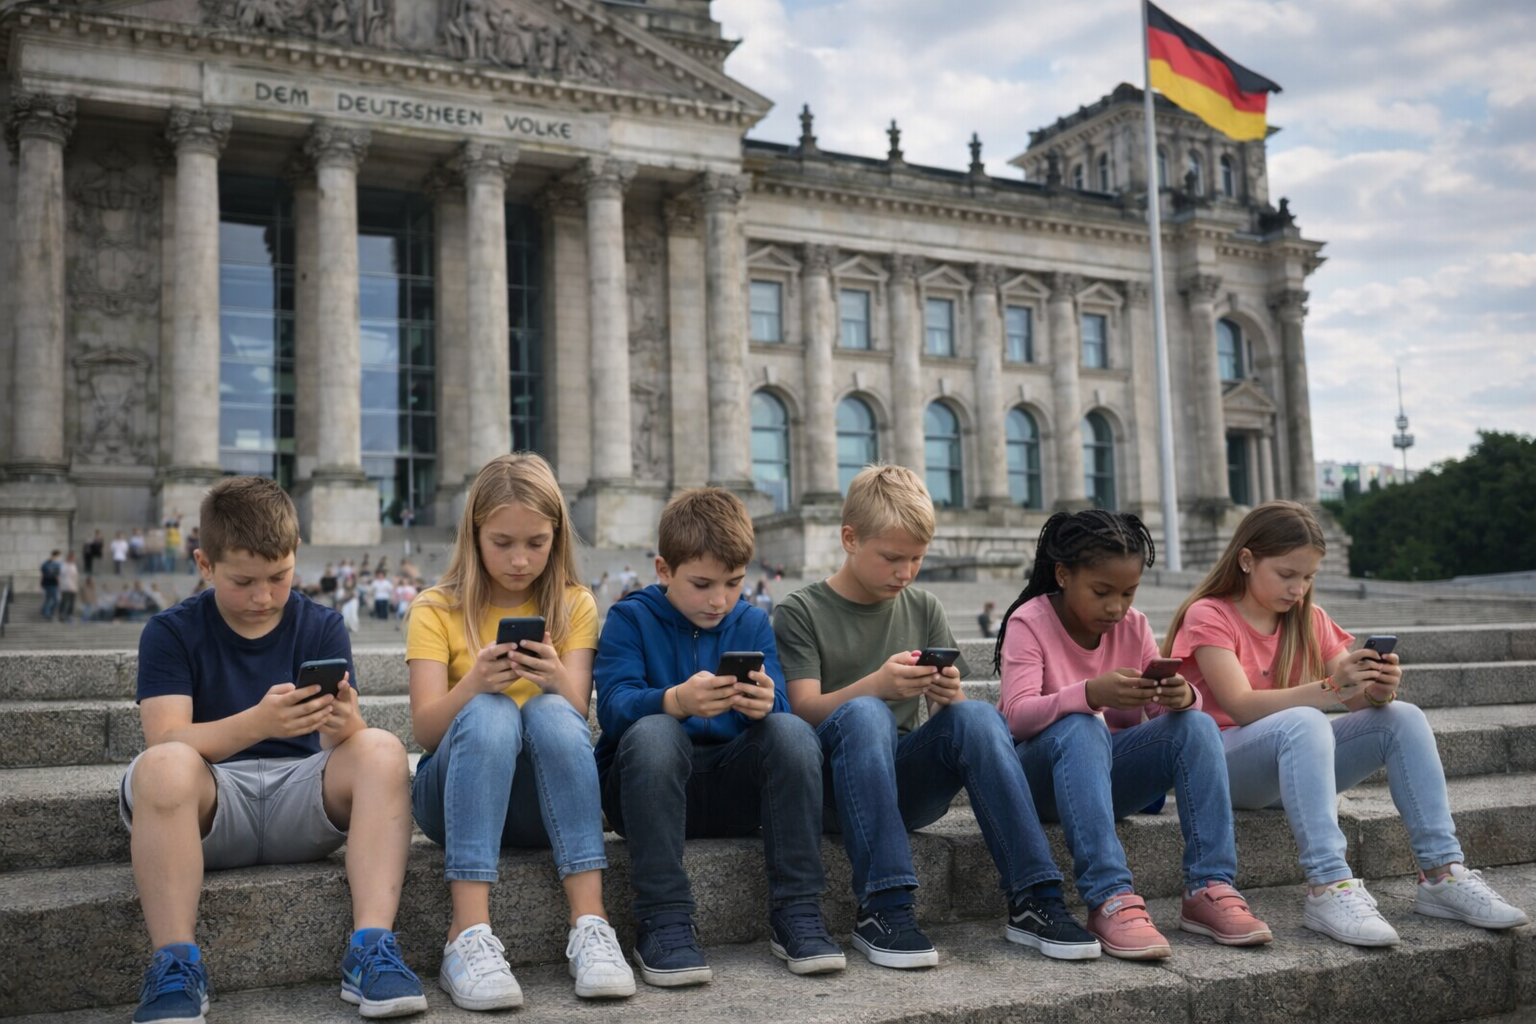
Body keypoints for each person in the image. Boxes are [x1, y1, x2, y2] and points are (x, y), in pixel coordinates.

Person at [119, 476, 426, 1023]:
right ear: (204, 565)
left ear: (296, 557)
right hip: (210, 802)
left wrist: (345, 721)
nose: (263, 596)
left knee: (380, 748)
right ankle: (175, 964)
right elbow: (165, 739)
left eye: (279, 578)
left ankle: (372, 948)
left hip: (301, 796)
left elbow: (337, 747)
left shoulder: (321, 623)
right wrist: (258, 722)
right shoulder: (169, 631)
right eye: (244, 581)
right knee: (162, 766)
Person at [1163, 500, 1530, 947]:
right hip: (1223, 767)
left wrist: (1377, 687)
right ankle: (1328, 885)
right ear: (1246, 559)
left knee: (1402, 717)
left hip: (1291, 766)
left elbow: (1356, 698)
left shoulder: (1309, 619)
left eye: (1308, 577)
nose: (1298, 588)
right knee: (1304, 720)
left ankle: (1441, 874)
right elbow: (1239, 707)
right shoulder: (1210, 614)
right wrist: (1332, 687)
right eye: (1286, 574)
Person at [774, 464, 1097, 967]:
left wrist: (947, 694)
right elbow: (799, 713)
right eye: (892, 558)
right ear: (849, 539)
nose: (905, 572)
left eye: (917, 558)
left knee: (980, 718)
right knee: (865, 713)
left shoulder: (923, 606)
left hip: (904, 787)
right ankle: (884, 906)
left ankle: (1035, 897)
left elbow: (952, 726)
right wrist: (877, 686)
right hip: (829, 791)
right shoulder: (800, 610)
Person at [407, 453, 634, 1008]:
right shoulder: (435, 608)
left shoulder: (574, 603)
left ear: (557, 537)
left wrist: (554, 674)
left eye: (537, 542)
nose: (520, 559)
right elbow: (426, 733)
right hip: (453, 798)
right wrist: (474, 686)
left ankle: (591, 923)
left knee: (552, 712)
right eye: (503, 542)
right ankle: (467, 934)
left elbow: (577, 717)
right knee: (491, 712)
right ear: (474, 534)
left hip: (541, 803)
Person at [595, 487, 842, 987]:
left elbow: (785, 715)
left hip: (734, 788)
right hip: (647, 789)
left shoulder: (751, 621)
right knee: (656, 732)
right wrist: (674, 701)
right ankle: (663, 918)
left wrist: (767, 702)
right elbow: (615, 707)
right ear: (664, 570)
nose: (719, 600)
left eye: (733, 583)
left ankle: (798, 910)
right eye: (703, 584)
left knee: (791, 732)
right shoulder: (630, 617)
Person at [995, 510, 1270, 959]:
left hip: (1104, 779)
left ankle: (1210, 887)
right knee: (1081, 724)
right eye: (1102, 592)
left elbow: (1159, 709)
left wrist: (1183, 697)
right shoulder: (1029, 621)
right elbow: (1016, 718)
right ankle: (1109, 897)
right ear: (1063, 575)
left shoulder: (1134, 625)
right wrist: (1089, 694)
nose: (1116, 607)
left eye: (1128, 592)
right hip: (1037, 781)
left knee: (1197, 724)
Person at [39, 550, 62, 621]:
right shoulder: (46, 563)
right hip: (48, 584)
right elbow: (47, 572)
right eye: (58, 556)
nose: (59, 558)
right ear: (54, 556)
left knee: (50, 600)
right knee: (53, 600)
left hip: (53, 584)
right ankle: (47, 614)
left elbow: (58, 574)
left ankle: (45, 611)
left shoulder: (57, 564)